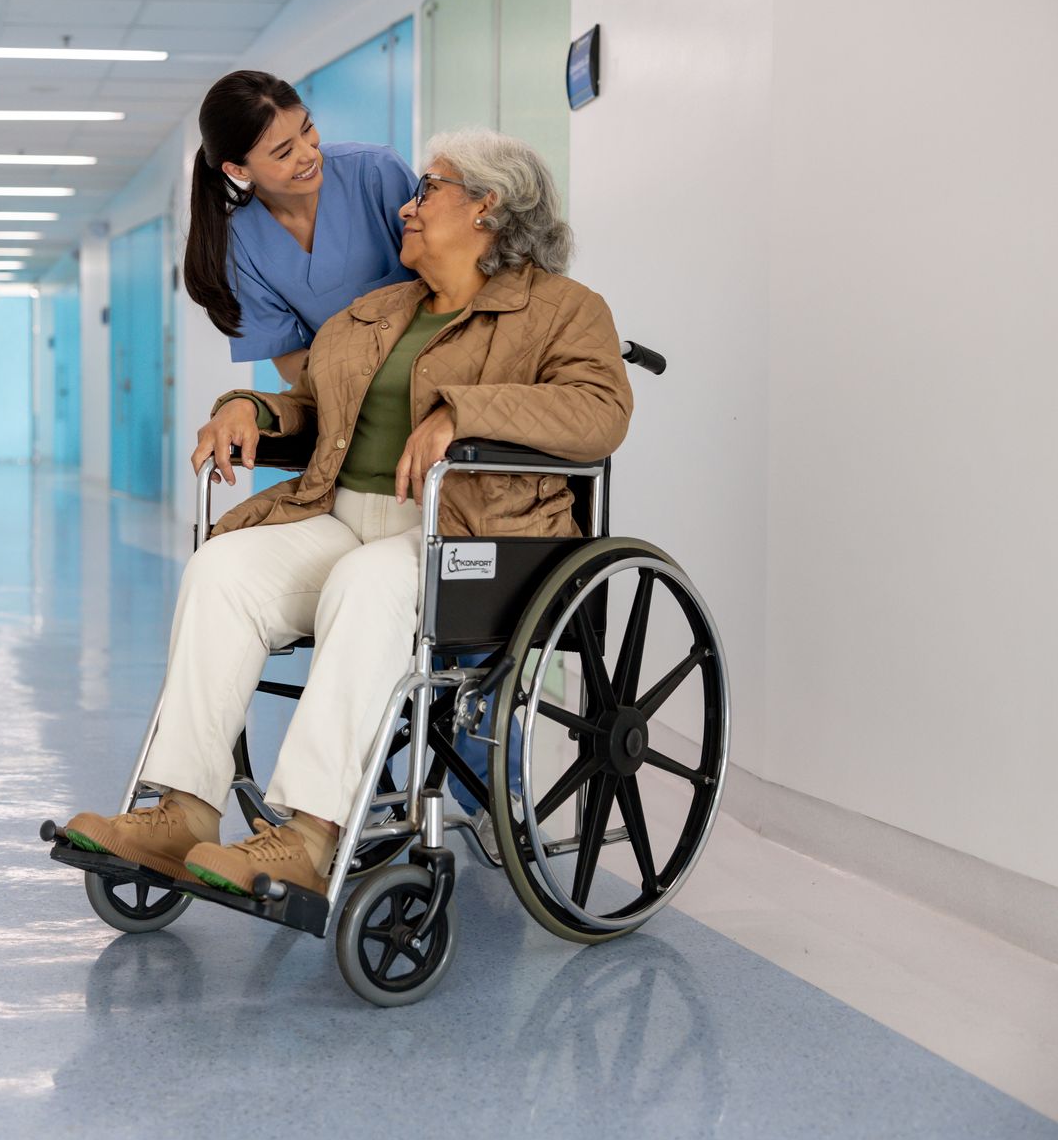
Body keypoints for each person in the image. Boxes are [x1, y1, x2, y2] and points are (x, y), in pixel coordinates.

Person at [61, 129, 632, 896]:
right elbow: (311, 409)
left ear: (486, 206)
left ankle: (309, 831)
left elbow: (599, 412)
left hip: (473, 535)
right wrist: (246, 411)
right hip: (345, 516)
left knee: (369, 583)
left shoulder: (562, 311)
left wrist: (462, 413)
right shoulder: (380, 311)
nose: (407, 205)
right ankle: (183, 811)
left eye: (429, 189)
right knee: (223, 567)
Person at [185, 71, 419, 384]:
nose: (309, 154)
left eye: (307, 129)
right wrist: (358, 384)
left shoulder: (375, 172)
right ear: (237, 169)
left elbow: (453, 275)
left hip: (435, 365)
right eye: (284, 152)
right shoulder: (237, 245)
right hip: (346, 394)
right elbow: (287, 357)